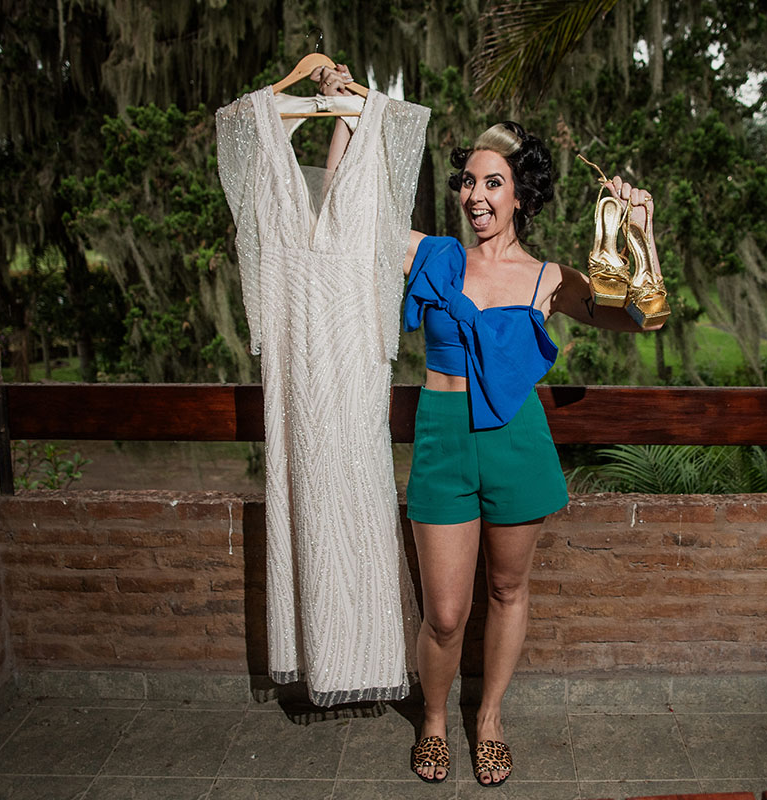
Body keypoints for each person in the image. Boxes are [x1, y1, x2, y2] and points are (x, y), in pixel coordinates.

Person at [315, 66, 665, 786]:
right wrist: (345, 114)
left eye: (492, 183)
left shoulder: (551, 280)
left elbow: (644, 316)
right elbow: (339, 217)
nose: (475, 195)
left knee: (508, 592)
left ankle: (490, 719)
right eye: (468, 182)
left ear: (521, 194)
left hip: (517, 443)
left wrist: (641, 230)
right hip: (442, 441)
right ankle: (435, 720)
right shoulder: (434, 258)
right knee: (445, 612)